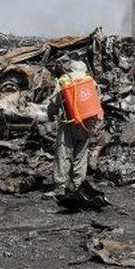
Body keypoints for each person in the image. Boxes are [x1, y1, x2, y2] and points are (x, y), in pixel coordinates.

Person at [47, 60, 98, 196]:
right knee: (81, 154)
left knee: (63, 154)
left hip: (69, 123)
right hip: (87, 123)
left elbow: (54, 102)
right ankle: (78, 185)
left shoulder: (65, 82)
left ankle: (60, 187)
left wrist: (50, 114)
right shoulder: (90, 83)